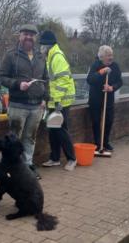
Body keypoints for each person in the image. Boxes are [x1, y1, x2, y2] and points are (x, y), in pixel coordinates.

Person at [0, 24, 48, 179]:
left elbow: (46, 79)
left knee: (30, 139)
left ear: (35, 38)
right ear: (19, 36)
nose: (29, 37)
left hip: (36, 106)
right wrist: (17, 84)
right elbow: (1, 77)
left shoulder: (40, 57)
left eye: (32, 35)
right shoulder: (11, 55)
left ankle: (26, 168)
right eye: (25, 34)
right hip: (17, 106)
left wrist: (45, 98)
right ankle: (3, 169)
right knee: (12, 140)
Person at [39, 30, 77, 171]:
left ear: (47, 45)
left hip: (61, 102)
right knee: (52, 130)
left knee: (61, 130)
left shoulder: (57, 57)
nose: (40, 48)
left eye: (42, 45)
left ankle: (72, 159)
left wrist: (56, 101)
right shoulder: (51, 56)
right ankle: (54, 158)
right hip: (54, 100)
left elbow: (63, 80)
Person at [86, 45, 123, 156]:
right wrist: (101, 72)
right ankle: (98, 144)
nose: (111, 57)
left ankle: (105, 142)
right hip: (95, 98)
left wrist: (112, 88)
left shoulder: (115, 66)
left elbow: (120, 82)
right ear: (101, 57)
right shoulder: (96, 65)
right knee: (96, 121)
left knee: (109, 120)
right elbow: (90, 80)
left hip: (109, 97)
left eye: (111, 55)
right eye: (108, 55)